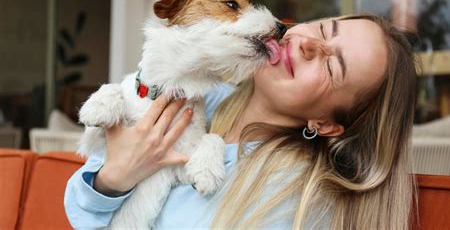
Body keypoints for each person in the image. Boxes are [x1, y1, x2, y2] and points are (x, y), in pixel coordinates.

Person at [64, 14, 417, 229]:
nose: (309, 43)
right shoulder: (199, 97)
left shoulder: (289, 196)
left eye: (331, 66)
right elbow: (78, 210)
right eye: (324, 28)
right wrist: (115, 178)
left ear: (325, 124)